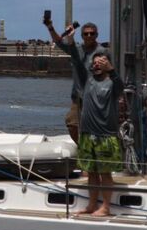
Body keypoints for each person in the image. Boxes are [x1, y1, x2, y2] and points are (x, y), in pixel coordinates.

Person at [74, 51, 124, 217]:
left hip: (106, 136)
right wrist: (72, 41)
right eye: (94, 62)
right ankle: (91, 204)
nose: (97, 64)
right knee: (92, 173)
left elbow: (120, 85)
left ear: (107, 65)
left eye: (101, 62)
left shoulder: (112, 84)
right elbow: (75, 59)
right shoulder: (86, 81)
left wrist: (111, 70)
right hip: (88, 135)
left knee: (105, 173)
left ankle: (106, 207)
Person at [44, 16, 108, 143]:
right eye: (86, 34)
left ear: (97, 35)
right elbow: (59, 41)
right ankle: (82, 147)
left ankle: (94, 148)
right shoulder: (76, 50)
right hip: (78, 96)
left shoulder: (103, 51)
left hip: (96, 96)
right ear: (82, 35)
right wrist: (50, 27)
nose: (89, 36)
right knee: (72, 123)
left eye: (92, 33)